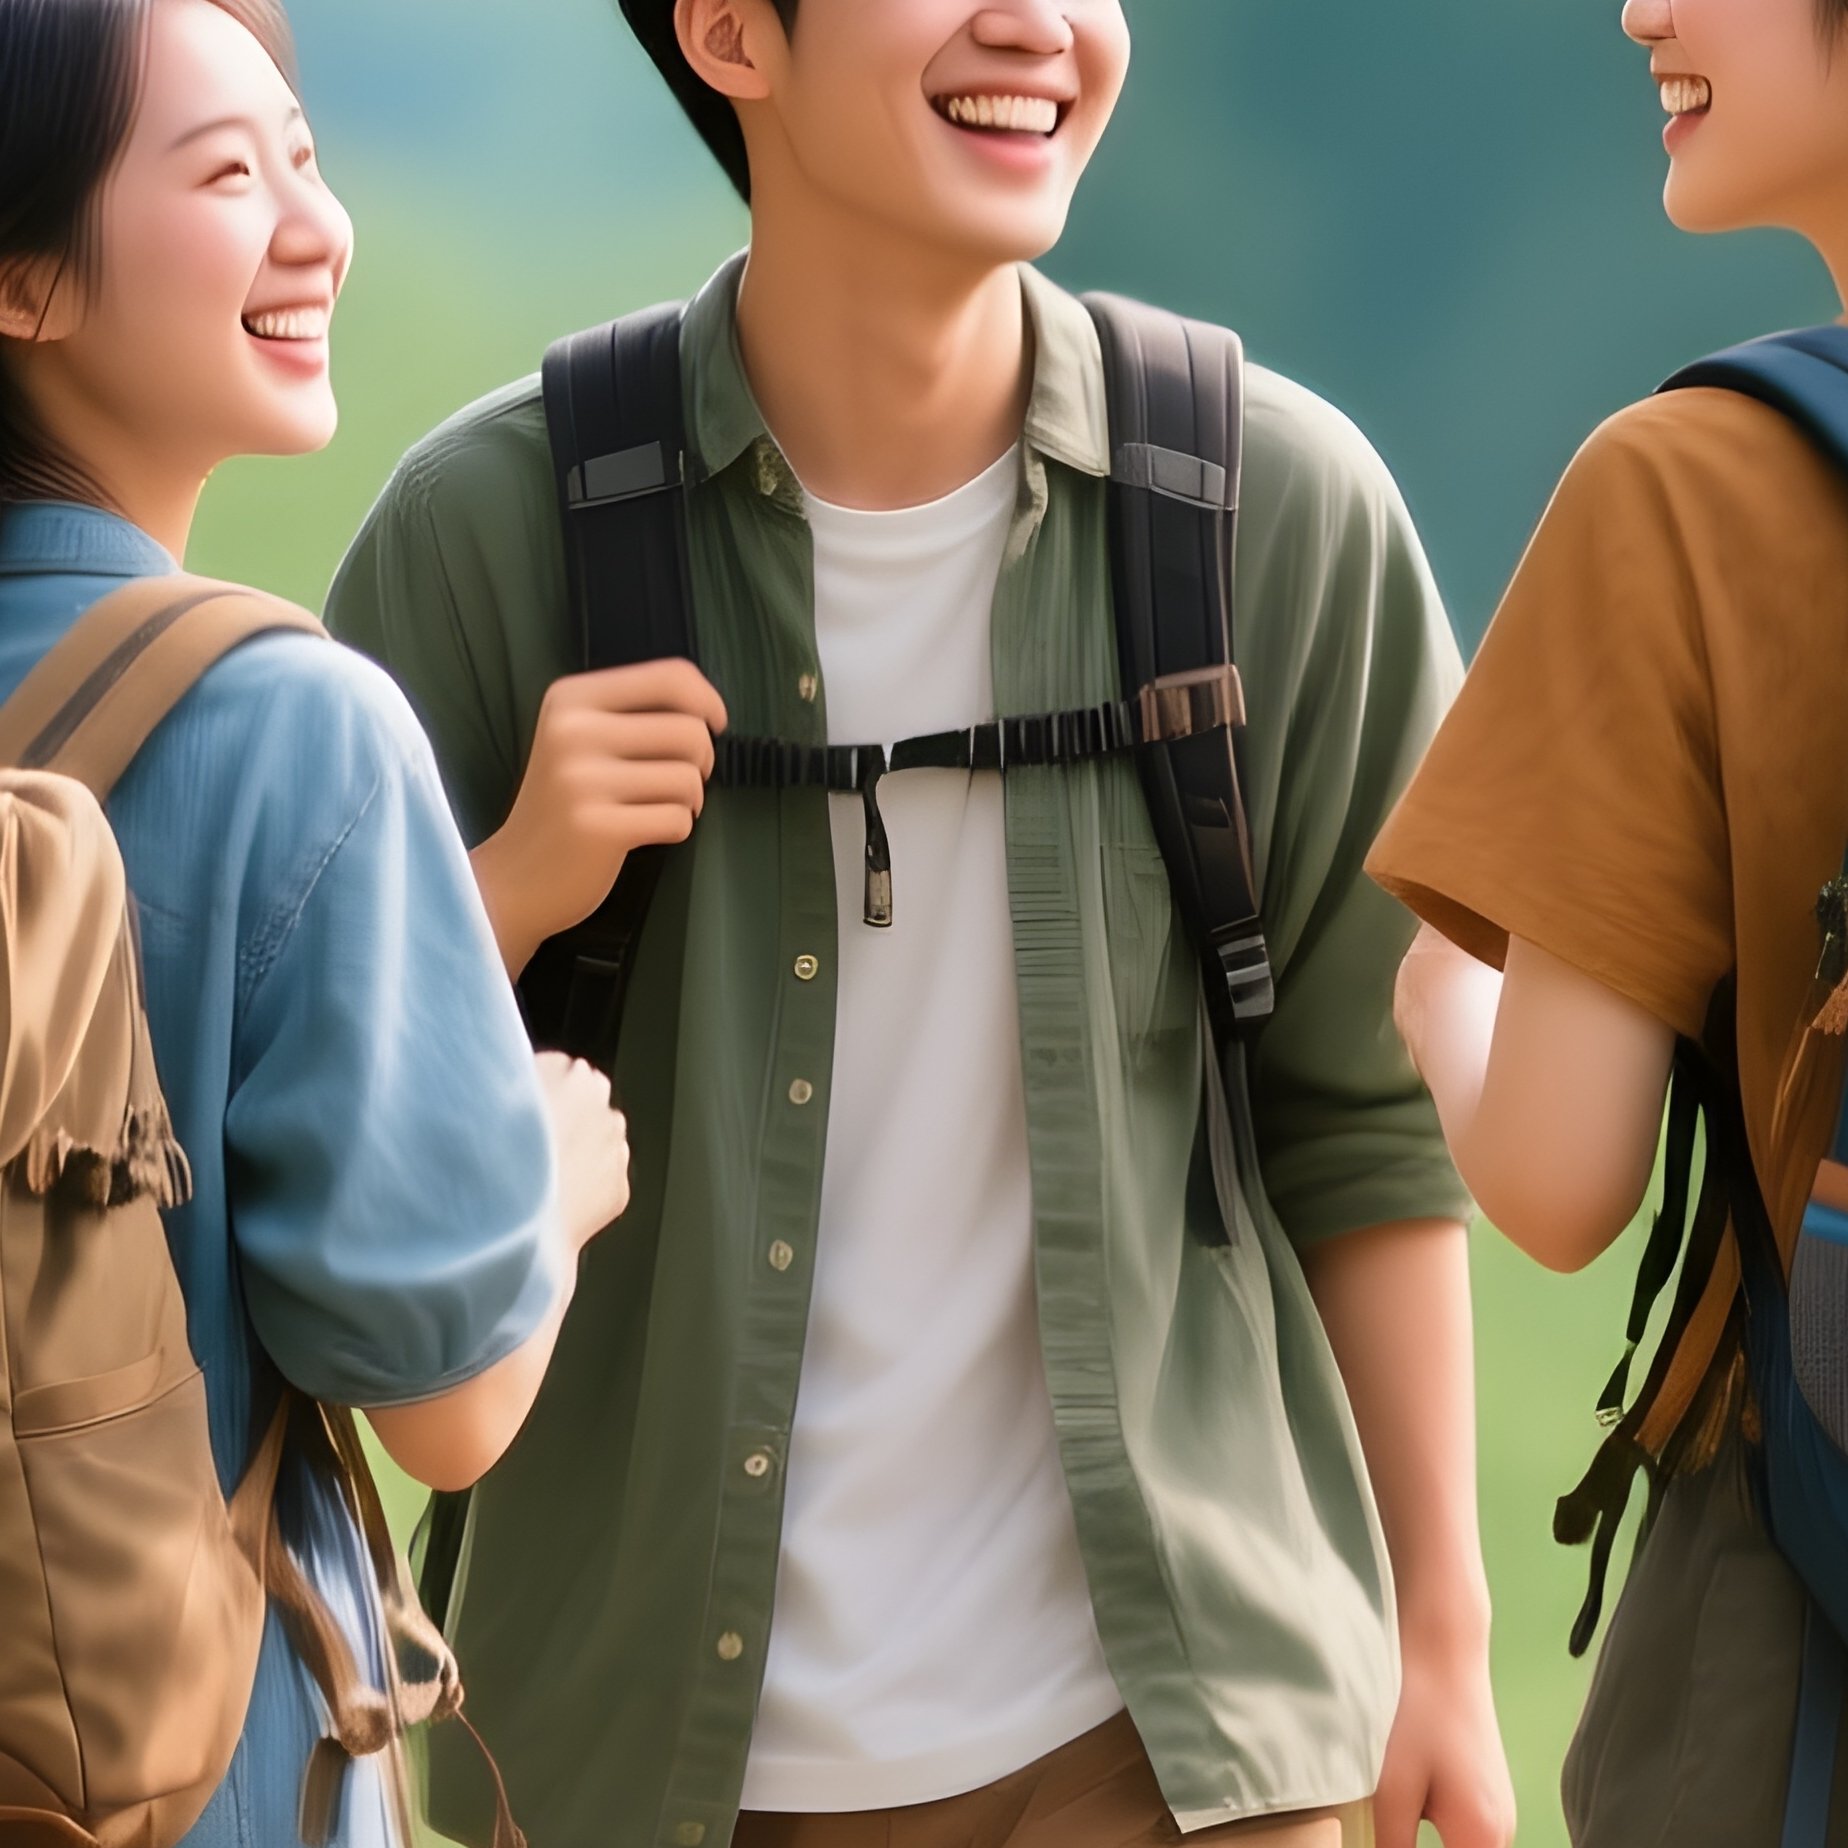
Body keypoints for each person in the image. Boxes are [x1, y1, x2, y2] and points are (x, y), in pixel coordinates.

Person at [329, 2, 1516, 1844]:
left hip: (1179, 1745)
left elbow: (1367, 1125)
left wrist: (1441, 1632)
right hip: (624, 1757)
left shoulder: (1267, 513)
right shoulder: (494, 542)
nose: (1042, 27)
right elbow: (308, 1139)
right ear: (733, 34)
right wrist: (501, 888)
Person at [0, 2, 632, 1843]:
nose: (314, 222)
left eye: (305, 153)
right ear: (24, 278)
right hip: (169, 1780)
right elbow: (447, 1407)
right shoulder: (291, 725)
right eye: (226, 170)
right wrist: (550, 1171)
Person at [1369, 0, 1848, 1841]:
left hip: (1794, 1649)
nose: (1642, 5)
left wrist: (1440, 1008)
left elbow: (1567, 1181)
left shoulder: (1693, 492)